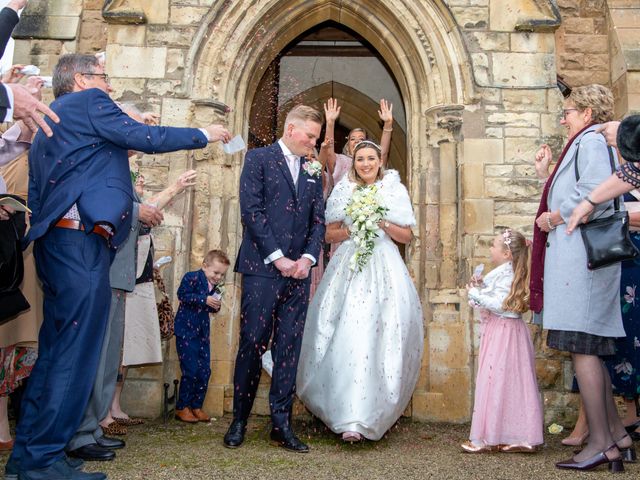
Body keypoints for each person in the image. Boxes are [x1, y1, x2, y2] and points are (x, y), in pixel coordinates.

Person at [6, 53, 230, 480]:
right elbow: (149, 138)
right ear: (81, 79)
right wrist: (205, 132)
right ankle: (42, 462)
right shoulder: (88, 104)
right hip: (80, 245)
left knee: (56, 355)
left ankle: (32, 456)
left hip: (59, 244)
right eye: (104, 78)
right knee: (75, 357)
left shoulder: (57, 119)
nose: (109, 86)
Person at [531, 84, 632, 472]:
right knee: (591, 350)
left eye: (569, 110)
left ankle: (601, 444)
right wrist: (546, 179)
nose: (564, 116)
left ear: (589, 113)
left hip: (582, 264)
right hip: (582, 264)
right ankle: (617, 436)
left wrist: (554, 218)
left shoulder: (590, 141)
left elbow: (596, 192)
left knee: (585, 349)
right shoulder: (589, 142)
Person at [296, 140, 423, 442]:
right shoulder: (344, 189)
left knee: (379, 336)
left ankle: (369, 413)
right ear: (353, 162)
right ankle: (346, 415)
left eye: (371, 158)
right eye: (360, 159)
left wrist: (379, 220)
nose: (365, 164)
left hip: (383, 264)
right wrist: (353, 230)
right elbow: (328, 232)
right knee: (348, 331)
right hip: (349, 264)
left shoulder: (394, 190)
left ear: (380, 161)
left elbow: (406, 236)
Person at [65, 105, 165, 462]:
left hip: (121, 274)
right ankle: (78, 431)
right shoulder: (101, 157)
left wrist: (143, 217)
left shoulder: (123, 163)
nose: (140, 136)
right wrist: (137, 211)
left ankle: (93, 427)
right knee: (92, 354)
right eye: (136, 127)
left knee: (108, 357)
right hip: (99, 269)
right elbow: (90, 201)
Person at [223, 105, 325, 453]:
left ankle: (281, 424)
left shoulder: (314, 169)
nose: (314, 143)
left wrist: (307, 259)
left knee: (288, 348)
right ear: (291, 129)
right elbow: (251, 211)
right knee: (252, 342)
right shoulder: (258, 159)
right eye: (310, 136)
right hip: (262, 269)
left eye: (316, 137)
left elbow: (318, 221)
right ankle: (239, 419)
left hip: (298, 274)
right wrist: (278, 258)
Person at [461, 229, 543, 453]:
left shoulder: (509, 274)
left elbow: (501, 304)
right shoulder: (505, 271)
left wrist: (474, 293)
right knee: (508, 381)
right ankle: (511, 433)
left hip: (505, 333)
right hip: (504, 331)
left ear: (507, 253)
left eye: (494, 245)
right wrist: (481, 286)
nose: (490, 248)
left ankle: (492, 436)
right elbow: (495, 296)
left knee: (497, 379)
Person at [174, 250, 230, 423]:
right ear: (205, 266)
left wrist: (215, 304)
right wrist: (203, 299)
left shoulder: (215, 287)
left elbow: (212, 308)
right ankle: (182, 407)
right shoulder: (191, 277)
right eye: (216, 272)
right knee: (190, 370)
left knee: (204, 370)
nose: (218, 277)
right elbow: (182, 295)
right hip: (186, 332)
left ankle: (196, 406)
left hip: (202, 334)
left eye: (221, 274)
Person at [322, 97, 393, 186]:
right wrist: (330, 123)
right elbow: (328, 152)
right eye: (352, 139)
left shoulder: (371, 162)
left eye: (361, 139)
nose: (356, 141)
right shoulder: (341, 161)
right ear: (348, 145)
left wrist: (388, 124)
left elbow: (383, 153)